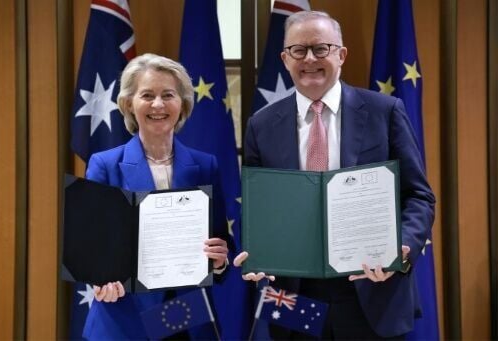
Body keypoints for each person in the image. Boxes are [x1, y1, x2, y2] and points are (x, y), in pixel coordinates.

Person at [235, 10, 435, 339]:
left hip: (372, 291)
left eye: (321, 48)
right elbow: (259, 206)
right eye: (299, 50)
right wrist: (257, 249)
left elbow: (419, 195)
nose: (309, 59)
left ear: (341, 55)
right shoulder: (261, 124)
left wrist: (402, 246)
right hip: (293, 296)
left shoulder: (385, 111)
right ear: (285, 59)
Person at [82, 53, 229, 340]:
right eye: (147, 95)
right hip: (123, 320)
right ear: (128, 104)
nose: (158, 105)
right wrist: (101, 279)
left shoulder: (206, 165)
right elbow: (90, 246)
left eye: (168, 95)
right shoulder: (104, 165)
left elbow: (221, 239)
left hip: (188, 320)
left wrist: (220, 259)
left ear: (183, 104)